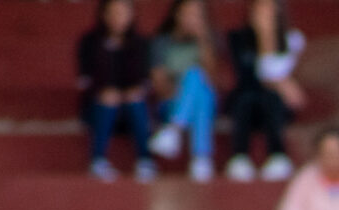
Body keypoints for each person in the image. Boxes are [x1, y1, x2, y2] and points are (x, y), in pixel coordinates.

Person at [224, 0, 304, 182]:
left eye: (269, 8)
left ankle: (277, 156)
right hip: (247, 102)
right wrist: (262, 38)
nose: (265, 14)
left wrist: (268, 37)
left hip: (276, 106)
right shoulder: (238, 40)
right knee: (246, 99)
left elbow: (293, 90)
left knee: (271, 98)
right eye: (260, 8)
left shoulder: (293, 40)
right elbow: (251, 77)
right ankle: (239, 157)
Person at [76, 0, 155, 183]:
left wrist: (131, 92)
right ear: (103, 15)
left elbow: (144, 79)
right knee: (108, 100)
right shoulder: (90, 42)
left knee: (136, 101)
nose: (118, 18)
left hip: (131, 106)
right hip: (98, 106)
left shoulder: (140, 44)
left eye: (123, 13)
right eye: (113, 12)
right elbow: (85, 80)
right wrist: (105, 92)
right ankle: (97, 160)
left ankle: (145, 160)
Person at [147, 0, 218, 184]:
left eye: (196, 15)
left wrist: (202, 40)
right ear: (176, 15)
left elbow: (213, 79)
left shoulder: (209, 41)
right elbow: (159, 86)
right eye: (187, 13)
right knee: (197, 86)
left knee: (200, 86)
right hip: (170, 102)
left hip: (203, 102)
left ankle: (173, 130)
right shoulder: (161, 43)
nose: (191, 19)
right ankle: (201, 158)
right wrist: (184, 94)